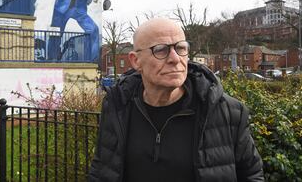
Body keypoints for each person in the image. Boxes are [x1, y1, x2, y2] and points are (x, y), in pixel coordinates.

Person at [89, 17, 264, 182]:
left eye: (180, 48)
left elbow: (252, 175)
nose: (175, 59)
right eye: (160, 50)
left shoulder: (229, 112)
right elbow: (101, 171)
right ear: (136, 61)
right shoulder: (117, 106)